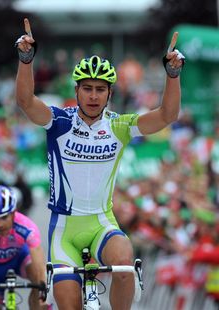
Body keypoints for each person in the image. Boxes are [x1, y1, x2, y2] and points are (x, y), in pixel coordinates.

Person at [15, 18, 185, 310]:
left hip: (101, 222)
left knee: (124, 260)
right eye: (87, 88)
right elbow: (26, 102)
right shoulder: (59, 121)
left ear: (110, 94)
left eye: (100, 89)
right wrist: (26, 59)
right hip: (64, 230)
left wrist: (172, 75)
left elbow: (167, 115)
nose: (93, 95)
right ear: (77, 90)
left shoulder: (120, 125)